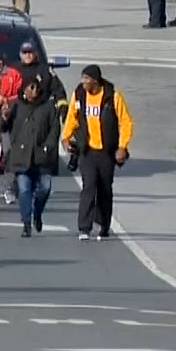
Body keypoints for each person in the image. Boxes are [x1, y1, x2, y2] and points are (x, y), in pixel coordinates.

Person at [62, 64, 132, 241]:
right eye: (82, 78)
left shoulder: (112, 96)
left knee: (104, 188)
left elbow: (126, 122)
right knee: (89, 185)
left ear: (95, 80)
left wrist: (122, 146)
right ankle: (84, 227)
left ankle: (103, 225)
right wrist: (66, 137)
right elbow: (72, 116)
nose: (83, 82)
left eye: (86, 79)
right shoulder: (79, 95)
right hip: (87, 150)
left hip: (107, 151)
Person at [3, 75, 62, 236]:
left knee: (45, 188)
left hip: (42, 157)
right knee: (24, 189)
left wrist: (48, 147)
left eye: (36, 87)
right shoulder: (16, 106)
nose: (34, 90)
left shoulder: (48, 106)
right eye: (31, 87)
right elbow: (3, 127)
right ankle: (26, 222)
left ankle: (37, 213)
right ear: (24, 89)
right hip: (22, 155)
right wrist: (5, 116)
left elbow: (55, 128)